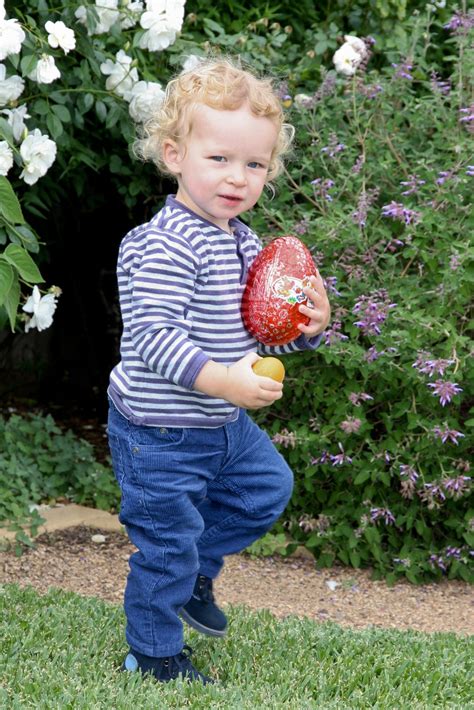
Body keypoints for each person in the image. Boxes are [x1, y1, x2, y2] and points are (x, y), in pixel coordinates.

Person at [107, 57, 330, 685]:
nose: (238, 178)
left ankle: (195, 569)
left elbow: (258, 334)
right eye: (220, 159)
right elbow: (152, 337)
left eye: (254, 164)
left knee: (267, 490)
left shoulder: (243, 242)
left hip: (219, 422)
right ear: (175, 155)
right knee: (164, 546)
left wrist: (306, 332)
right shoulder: (164, 243)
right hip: (159, 432)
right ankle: (153, 656)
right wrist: (225, 382)